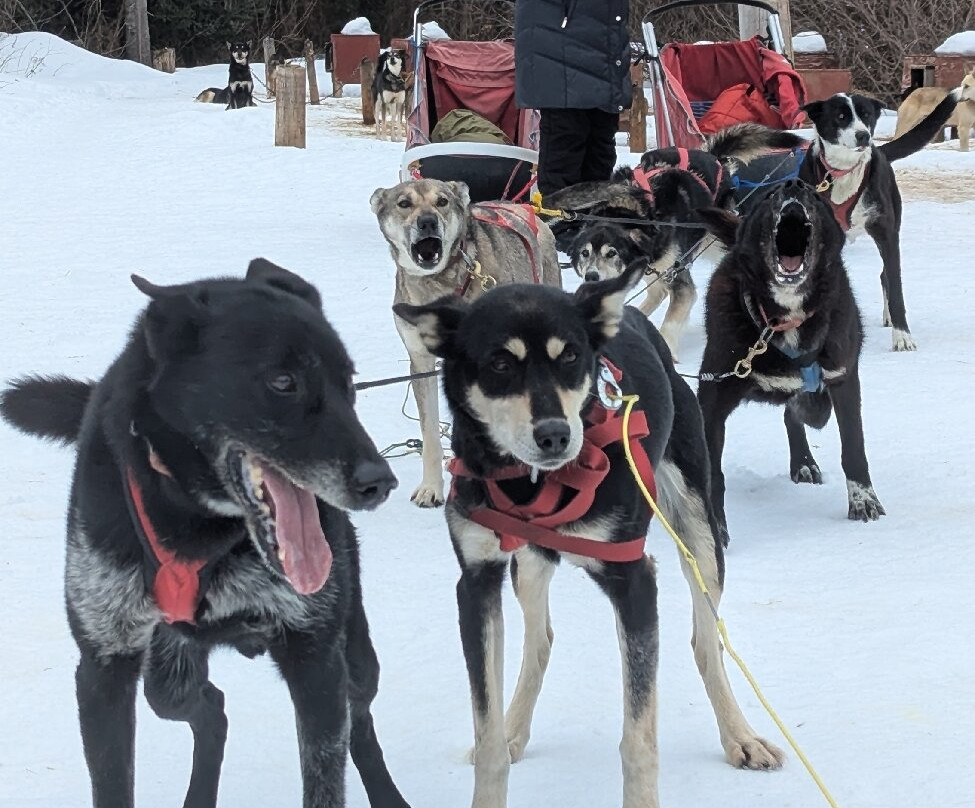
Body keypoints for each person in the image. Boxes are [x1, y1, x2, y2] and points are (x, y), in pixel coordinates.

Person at [515, 0, 632, 199]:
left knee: (600, 151)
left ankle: (594, 220)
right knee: (566, 147)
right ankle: (562, 224)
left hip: (604, 45)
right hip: (561, 39)